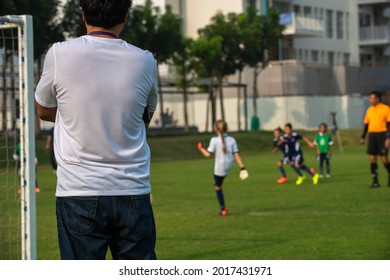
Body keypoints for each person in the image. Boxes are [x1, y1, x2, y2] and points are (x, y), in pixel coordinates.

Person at [35, 0, 158, 260]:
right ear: (125, 15)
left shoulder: (59, 53)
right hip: (132, 191)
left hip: (79, 192)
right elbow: (143, 118)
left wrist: (78, 116)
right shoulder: (145, 60)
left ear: (82, 14)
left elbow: (43, 109)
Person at [197, 120, 248, 216]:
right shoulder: (232, 140)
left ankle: (223, 209)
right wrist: (242, 167)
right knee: (219, 184)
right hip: (229, 165)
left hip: (219, 168)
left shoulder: (214, 140)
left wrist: (200, 148)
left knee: (218, 187)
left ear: (216, 128)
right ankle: (223, 208)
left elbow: (208, 154)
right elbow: (236, 154)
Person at [360, 91, 390, 188]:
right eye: (370, 98)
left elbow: (389, 124)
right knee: (372, 159)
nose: (370, 100)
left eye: (372, 98)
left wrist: (388, 138)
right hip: (372, 135)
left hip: (382, 136)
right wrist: (363, 137)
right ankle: (375, 182)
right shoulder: (369, 110)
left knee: (384, 159)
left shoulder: (386, 109)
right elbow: (366, 124)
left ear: (377, 99)